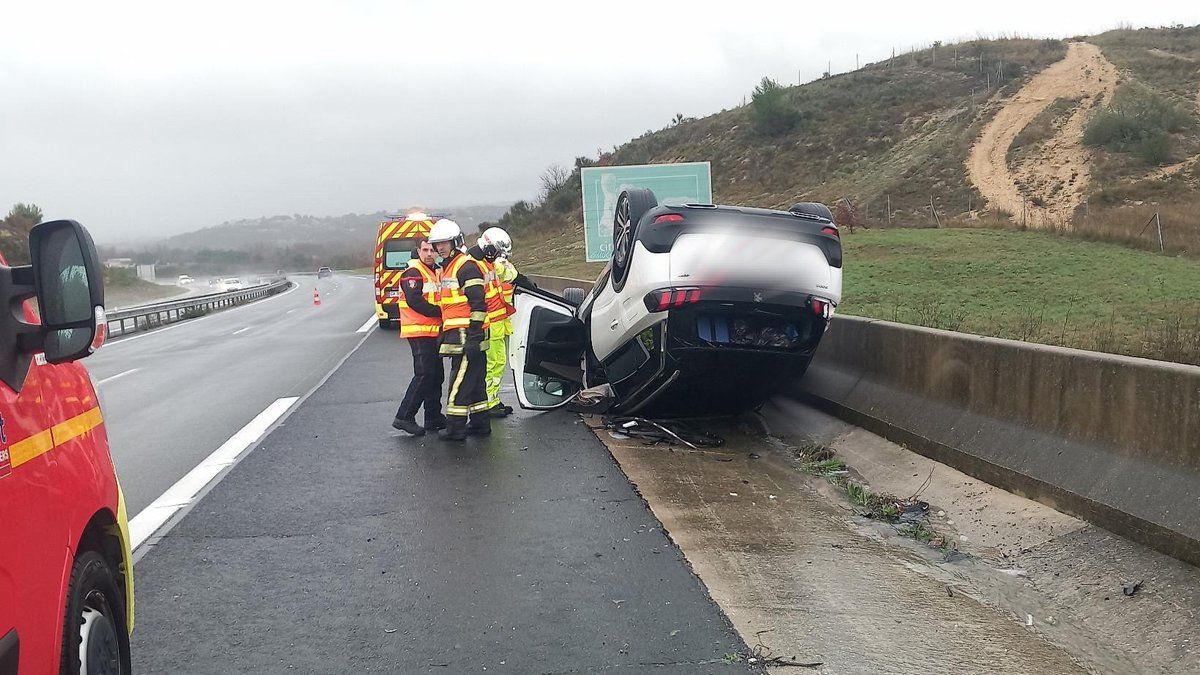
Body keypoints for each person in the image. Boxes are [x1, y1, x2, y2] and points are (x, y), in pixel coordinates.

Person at [428, 218, 491, 441]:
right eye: (437, 244)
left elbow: (478, 304)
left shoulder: (466, 266)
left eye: (445, 243)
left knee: (460, 381)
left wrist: (473, 336)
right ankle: (481, 422)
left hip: (467, 335)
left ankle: (455, 428)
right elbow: (451, 307)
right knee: (474, 382)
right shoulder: (448, 268)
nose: (441, 248)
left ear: (456, 242)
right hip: (459, 334)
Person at [391, 237, 446, 436]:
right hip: (419, 331)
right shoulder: (413, 272)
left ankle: (433, 417)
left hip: (433, 331)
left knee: (436, 375)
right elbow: (415, 301)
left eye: (432, 250)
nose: (429, 254)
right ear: (419, 251)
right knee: (424, 374)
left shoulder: (435, 271)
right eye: (425, 250)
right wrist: (441, 312)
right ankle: (404, 416)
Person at [468, 227, 516, 417]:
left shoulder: (488, 263)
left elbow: (510, 274)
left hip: (497, 321)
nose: (498, 256)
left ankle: (492, 400)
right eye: (496, 252)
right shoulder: (477, 265)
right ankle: (488, 403)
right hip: (489, 323)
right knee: (492, 364)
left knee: (498, 364)